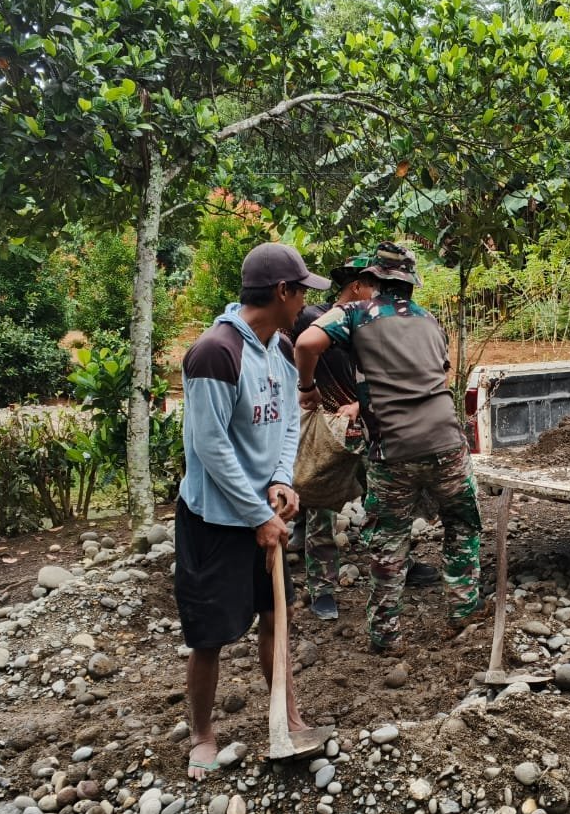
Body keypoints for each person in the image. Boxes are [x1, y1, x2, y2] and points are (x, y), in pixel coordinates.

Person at [174, 242, 332, 779]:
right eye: (301, 292)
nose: (304, 304)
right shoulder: (215, 353)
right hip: (216, 520)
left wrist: (283, 480)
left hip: (263, 511)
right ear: (282, 292)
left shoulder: (280, 349)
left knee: (274, 617)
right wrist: (256, 514)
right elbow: (210, 446)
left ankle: (287, 717)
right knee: (210, 634)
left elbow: (290, 419)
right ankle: (202, 733)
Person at [293, 242, 483, 657]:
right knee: (462, 526)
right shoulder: (431, 320)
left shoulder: (355, 314)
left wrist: (307, 389)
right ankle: (463, 611)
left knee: (389, 540)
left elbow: (306, 344)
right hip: (447, 444)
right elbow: (442, 372)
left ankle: (387, 635)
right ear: (411, 281)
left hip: (392, 450)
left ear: (373, 280)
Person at [289, 257, 440, 621]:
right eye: (377, 288)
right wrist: (307, 391)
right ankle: (322, 588)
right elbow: (301, 351)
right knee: (321, 510)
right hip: (327, 426)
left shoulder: (373, 322)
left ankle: (399, 564)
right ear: (357, 285)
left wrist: (361, 402)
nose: (385, 298)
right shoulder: (316, 318)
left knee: (383, 501)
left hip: (367, 424)